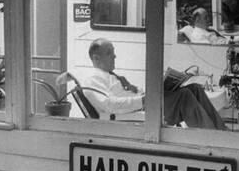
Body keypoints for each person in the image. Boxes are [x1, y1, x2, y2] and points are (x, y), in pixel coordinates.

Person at [83, 38, 226, 130]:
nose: (114, 56)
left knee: (194, 88)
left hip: (144, 103)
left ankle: (220, 131)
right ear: (96, 58)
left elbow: (132, 93)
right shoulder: (93, 79)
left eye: (113, 52)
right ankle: (210, 136)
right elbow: (109, 105)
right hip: (138, 113)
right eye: (109, 53)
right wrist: (144, 100)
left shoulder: (110, 76)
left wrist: (149, 89)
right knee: (184, 96)